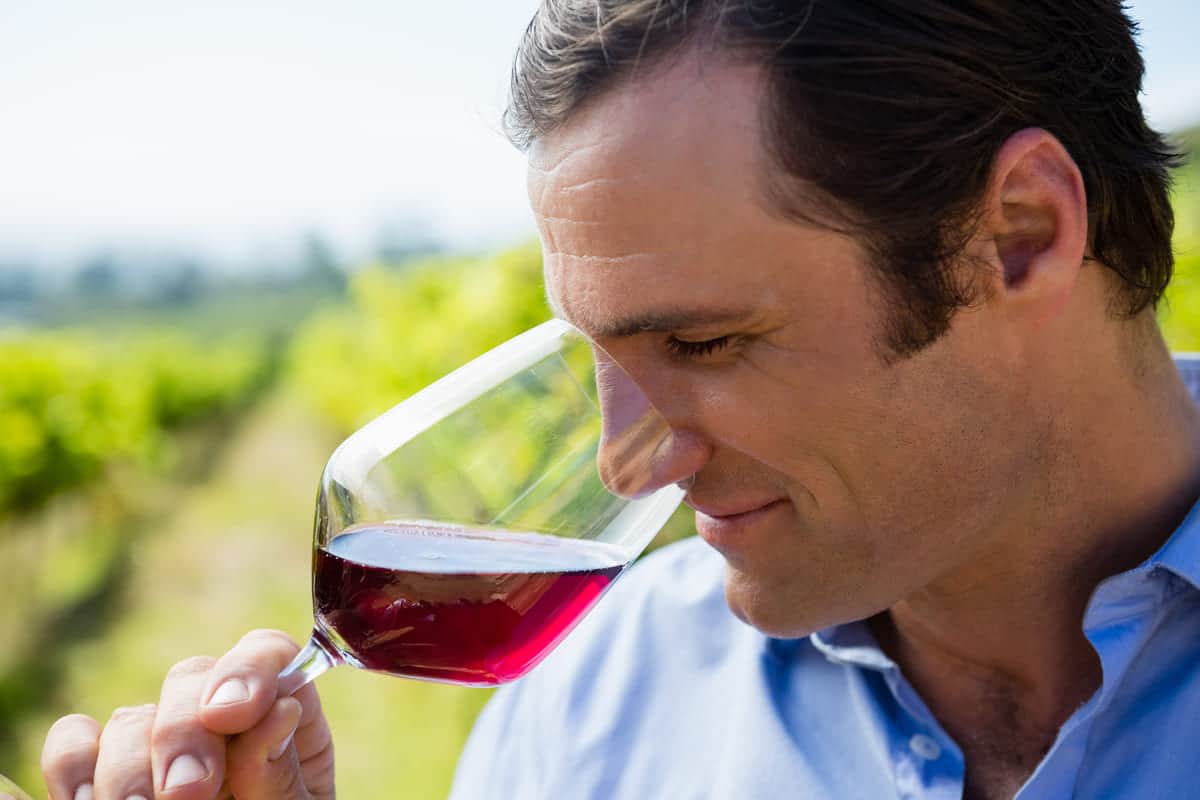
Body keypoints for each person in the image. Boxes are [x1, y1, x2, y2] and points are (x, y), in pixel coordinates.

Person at [40, 1, 1200, 798]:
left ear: (1018, 236)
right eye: (592, 352)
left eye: (704, 339)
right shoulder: (594, 712)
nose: (622, 463)